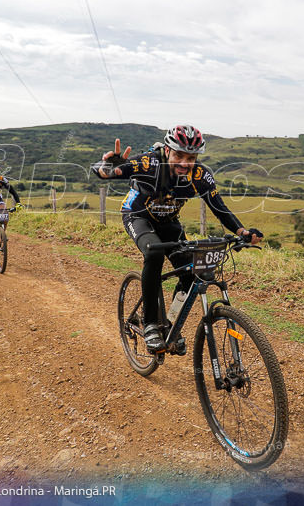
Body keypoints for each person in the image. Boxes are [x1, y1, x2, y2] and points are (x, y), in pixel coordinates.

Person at [91, 124, 263, 353]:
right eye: (179, 155)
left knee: (193, 272)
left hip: (169, 222)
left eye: (190, 157)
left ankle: (170, 324)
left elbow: (219, 208)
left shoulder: (201, 175)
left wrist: (242, 232)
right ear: (168, 151)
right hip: (138, 216)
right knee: (154, 253)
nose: (184, 163)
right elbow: (104, 171)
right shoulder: (149, 163)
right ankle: (151, 324)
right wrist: (106, 166)